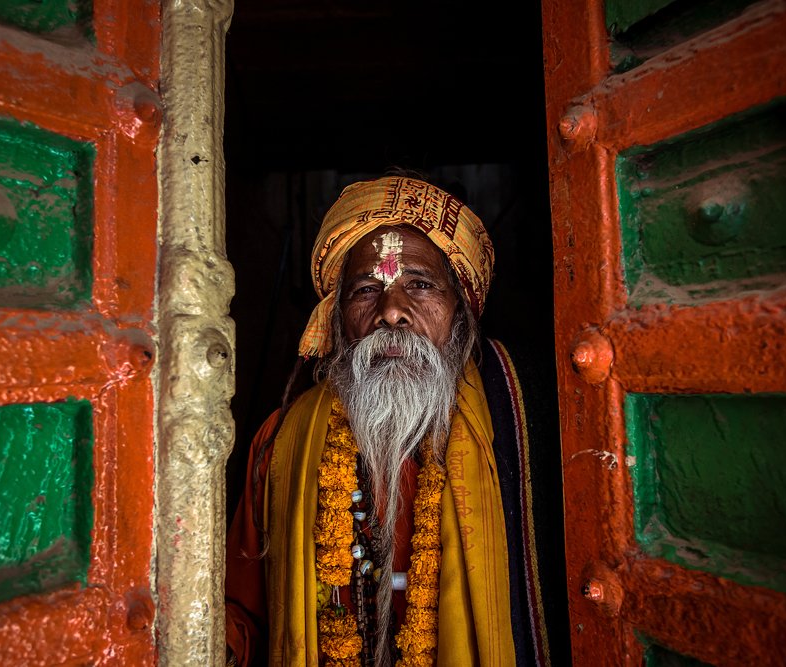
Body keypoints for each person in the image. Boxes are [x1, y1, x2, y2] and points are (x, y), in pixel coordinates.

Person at [225, 176, 555, 666]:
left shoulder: (523, 432)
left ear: (459, 312)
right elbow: (242, 617)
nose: (392, 312)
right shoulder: (281, 442)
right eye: (364, 290)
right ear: (336, 320)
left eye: (419, 285)